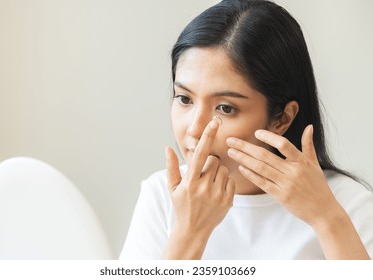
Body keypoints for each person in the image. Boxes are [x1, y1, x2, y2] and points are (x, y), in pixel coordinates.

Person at [119, 0, 373, 259]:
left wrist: (326, 218)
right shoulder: (162, 196)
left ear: (282, 118)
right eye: (184, 99)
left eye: (225, 108)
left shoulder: (346, 204)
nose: (195, 129)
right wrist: (189, 232)